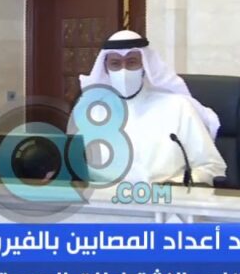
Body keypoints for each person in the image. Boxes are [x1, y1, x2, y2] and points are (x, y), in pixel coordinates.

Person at [70, 30, 226, 185]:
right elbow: (72, 168)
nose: (123, 71)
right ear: (105, 69)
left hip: (165, 196)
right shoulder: (91, 112)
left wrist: (176, 185)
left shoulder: (178, 107)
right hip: (104, 199)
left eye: (131, 62)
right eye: (115, 64)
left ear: (145, 65)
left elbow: (212, 167)